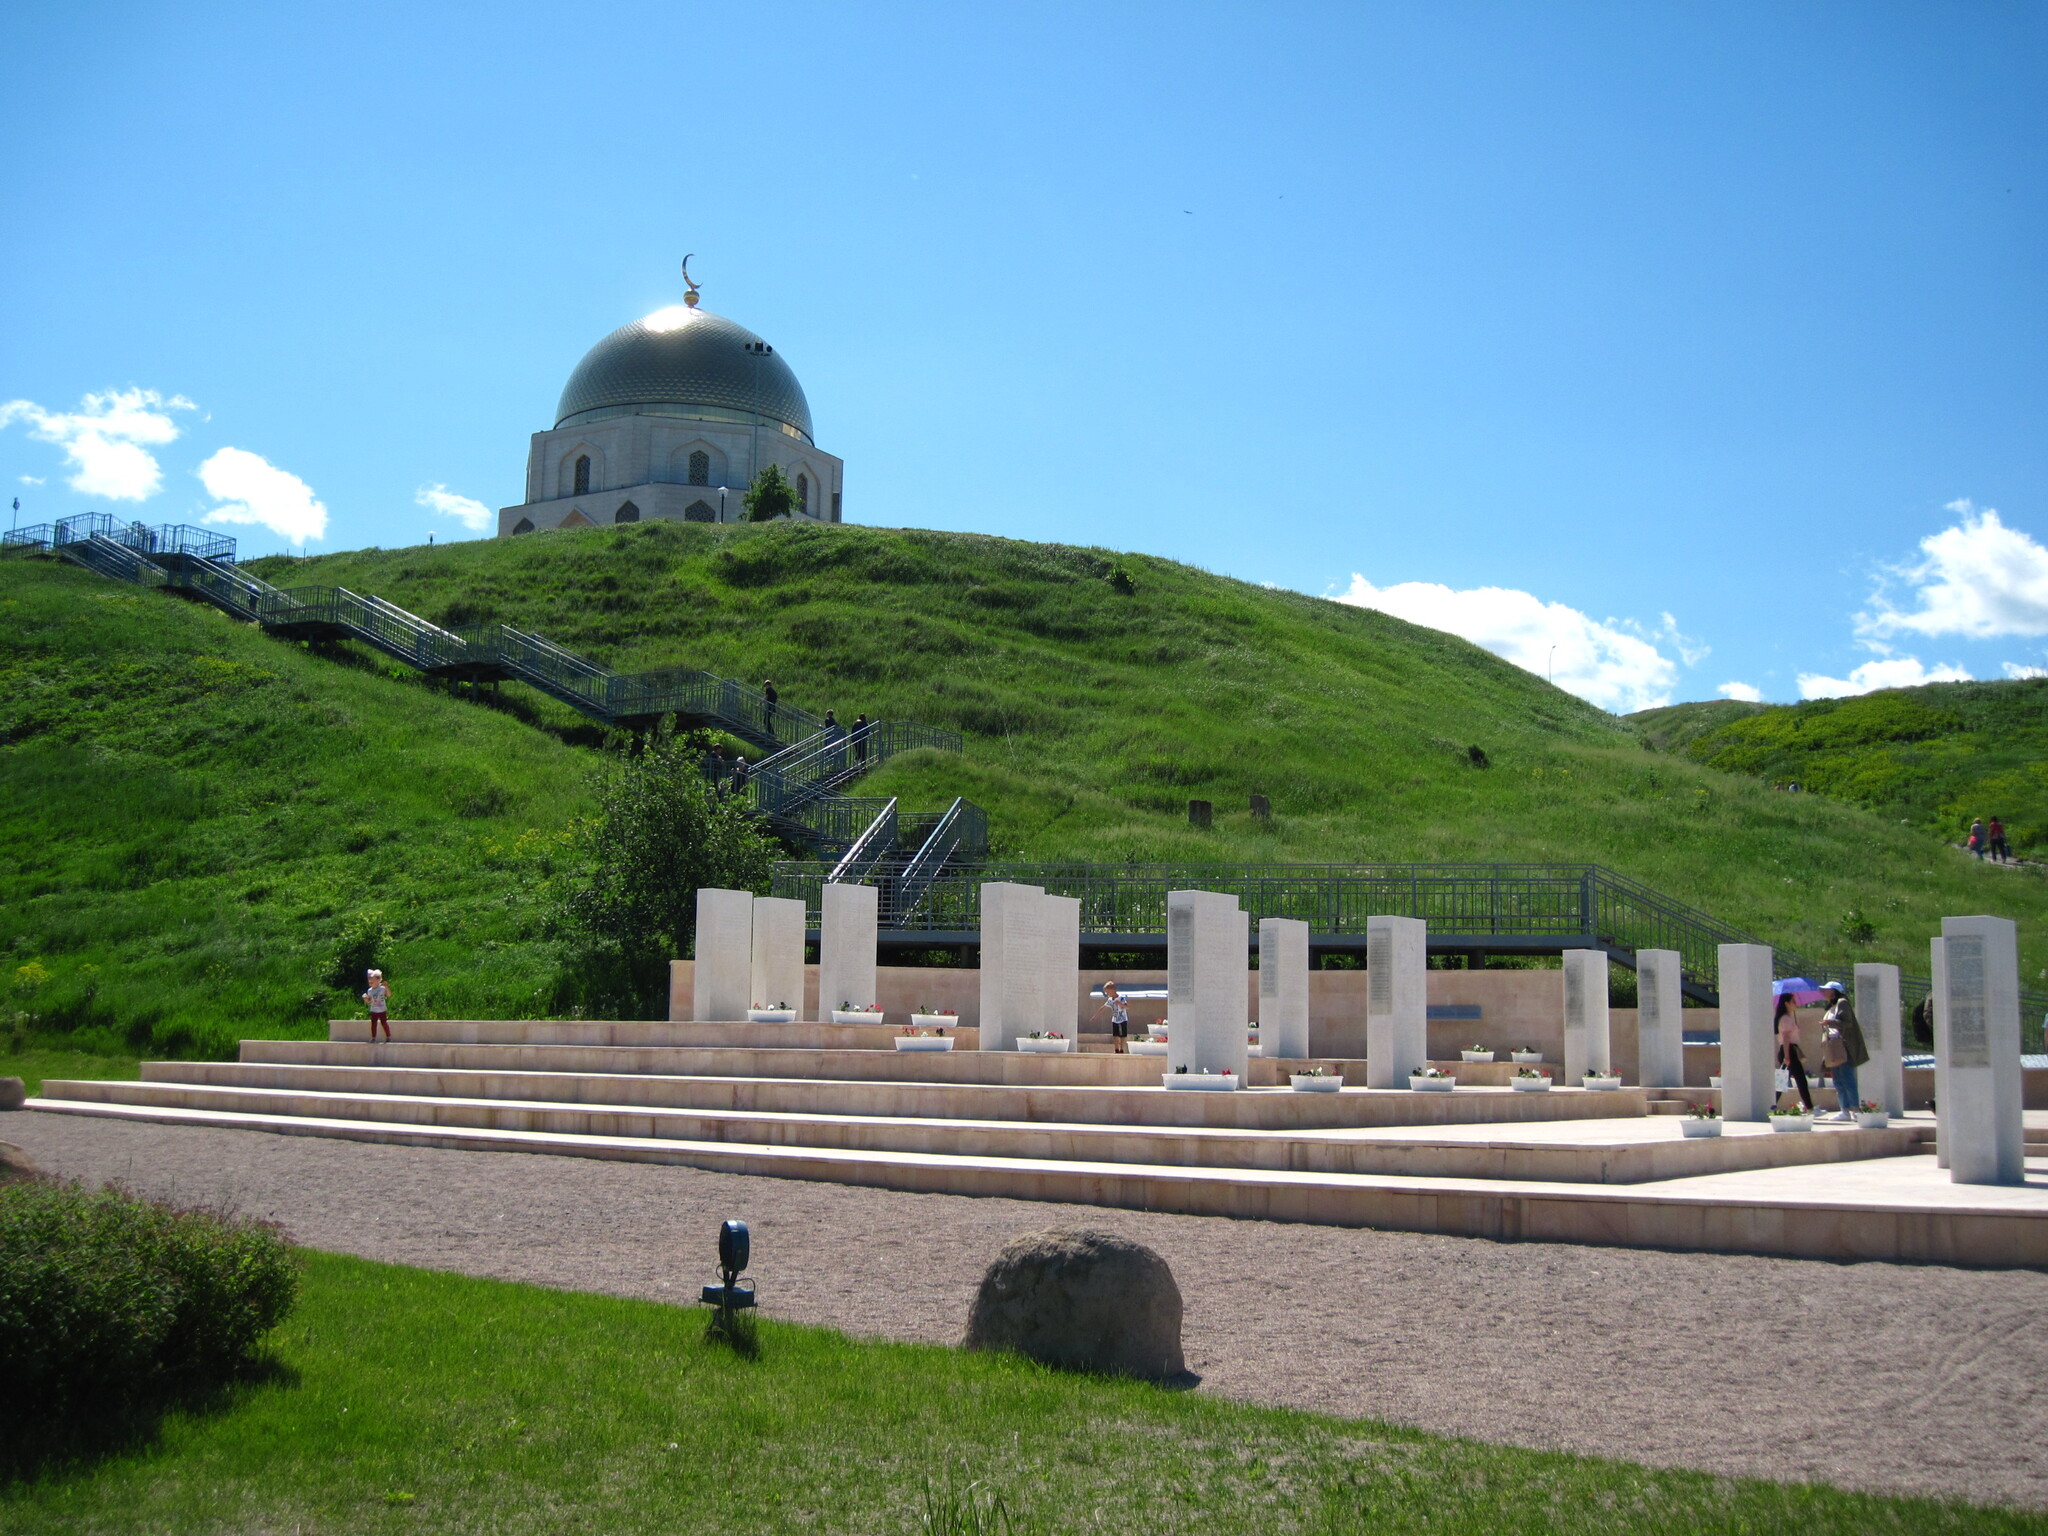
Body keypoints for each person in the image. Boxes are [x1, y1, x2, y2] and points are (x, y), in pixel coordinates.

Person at [1817, 980, 1869, 1121]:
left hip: (1843, 1047)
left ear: (1834, 991)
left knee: (1847, 1078)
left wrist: (1830, 1022)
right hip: (1833, 1048)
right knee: (1838, 1080)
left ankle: (1855, 1110)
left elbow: (1848, 1023)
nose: (1823, 992)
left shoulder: (1842, 1003)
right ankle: (1844, 1110)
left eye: (1826, 990)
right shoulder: (1830, 1008)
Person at [1774, 991, 1813, 1113]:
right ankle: (1810, 1107)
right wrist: (1787, 1056)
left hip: (1789, 1050)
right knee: (1800, 1080)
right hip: (1789, 1050)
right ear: (1786, 1003)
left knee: (1782, 1081)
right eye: (1793, 1001)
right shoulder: (1785, 1019)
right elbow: (1786, 1038)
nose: (1795, 1004)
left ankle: (1772, 1105)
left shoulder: (1787, 1018)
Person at [1092, 981, 1133, 1054]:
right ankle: (1116, 1049)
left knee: (1123, 1035)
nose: (1107, 994)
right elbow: (1103, 1007)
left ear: (1112, 990)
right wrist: (1096, 1016)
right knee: (1115, 1035)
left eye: (1107, 992)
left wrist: (1120, 1004)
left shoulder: (1121, 998)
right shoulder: (1110, 1000)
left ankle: (1121, 1049)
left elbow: (1127, 1007)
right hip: (1115, 1020)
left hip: (1123, 1019)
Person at [362, 969, 391, 1043]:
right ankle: (373, 1037)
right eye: (369, 982)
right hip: (374, 1009)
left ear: (378, 980)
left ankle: (388, 1036)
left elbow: (389, 994)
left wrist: (386, 987)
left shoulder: (382, 988)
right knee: (373, 1024)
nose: (370, 984)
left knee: (384, 1023)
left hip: (382, 1009)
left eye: (372, 982)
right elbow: (370, 1000)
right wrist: (366, 999)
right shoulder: (370, 990)